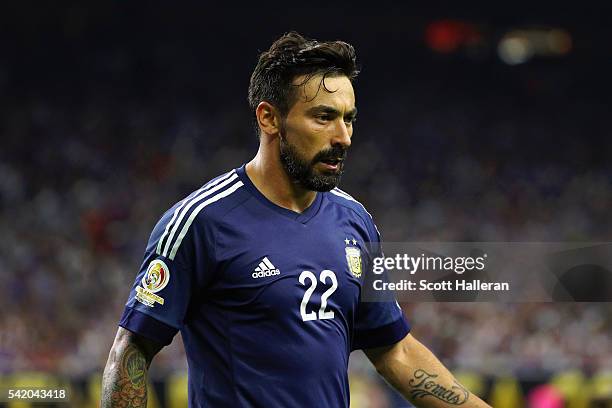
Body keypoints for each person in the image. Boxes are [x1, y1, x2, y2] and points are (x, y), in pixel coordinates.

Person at [101, 32, 490, 408]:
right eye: (323, 117)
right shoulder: (201, 222)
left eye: (348, 119)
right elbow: (132, 349)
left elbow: (396, 351)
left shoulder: (355, 221)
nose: (343, 137)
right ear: (270, 119)